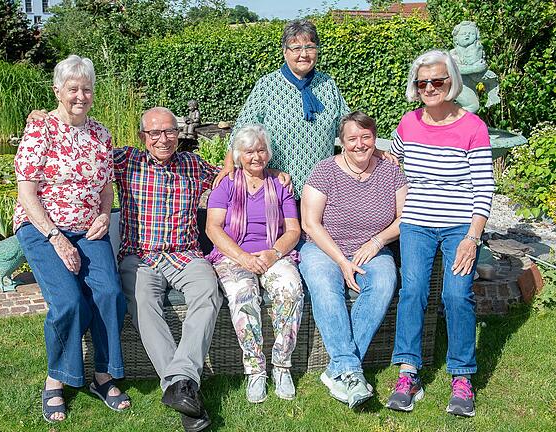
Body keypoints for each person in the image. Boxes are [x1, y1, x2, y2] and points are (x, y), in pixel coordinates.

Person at [13, 55, 130, 423]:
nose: (81, 95)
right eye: (73, 88)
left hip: (89, 226)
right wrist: (56, 238)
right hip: (42, 229)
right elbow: (27, 193)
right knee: (68, 302)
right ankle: (55, 381)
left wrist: (101, 215)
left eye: (87, 88)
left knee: (110, 293)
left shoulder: (101, 133)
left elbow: (106, 187)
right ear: (58, 91)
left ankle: (102, 375)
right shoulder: (40, 130)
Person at [386, 50, 494, 418]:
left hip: (460, 225)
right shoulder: (408, 123)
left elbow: (484, 186)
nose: (430, 87)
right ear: (415, 87)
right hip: (416, 222)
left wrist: (473, 237)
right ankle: (408, 373)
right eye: (423, 82)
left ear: (451, 82)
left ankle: (462, 377)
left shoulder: (472, 127)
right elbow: (392, 162)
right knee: (412, 290)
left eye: (437, 80)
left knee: (456, 294)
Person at [115, 107, 222, 432]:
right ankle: (184, 389)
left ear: (179, 133)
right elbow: (81, 148)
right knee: (144, 303)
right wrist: (47, 119)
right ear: (142, 137)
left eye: (170, 131)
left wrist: (276, 175)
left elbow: (232, 176)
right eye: (155, 133)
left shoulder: (192, 164)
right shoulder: (126, 161)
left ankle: (180, 383)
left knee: (209, 290)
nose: (164, 139)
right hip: (141, 257)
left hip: (185, 255)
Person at [299, 111, 408, 409]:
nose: (360, 144)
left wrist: (378, 240)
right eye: (352, 139)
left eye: (366, 137)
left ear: (374, 138)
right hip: (324, 248)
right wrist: (342, 262)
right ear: (342, 142)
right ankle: (349, 368)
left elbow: (404, 217)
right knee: (324, 284)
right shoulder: (325, 171)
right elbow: (310, 223)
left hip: (371, 249)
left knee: (386, 280)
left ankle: (341, 370)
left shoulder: (391, 171)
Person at [204, 124, 304, 404]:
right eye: (249, 151)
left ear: (268, 154)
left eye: (261, 150)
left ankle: (282, 365)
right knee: (242, 294)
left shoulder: (280, 185)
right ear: (238, 155)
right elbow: (213, 228)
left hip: (273, 254)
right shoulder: (226, 184)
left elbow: (293, 230)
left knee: (290, 289)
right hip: (235, 256)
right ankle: (255, 369)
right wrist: (243, 258)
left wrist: (273, 254)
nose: (256, 156)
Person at [215, 19, 351, 194]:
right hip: (278, 186)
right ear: (285, 52)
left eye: (310, 47)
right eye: (296, 48)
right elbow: (243, 128)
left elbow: (348, 126)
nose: (304, 54)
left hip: (321, 190)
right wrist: (229, 164)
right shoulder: (267, 85)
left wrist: (373, 149)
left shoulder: (327, 84)